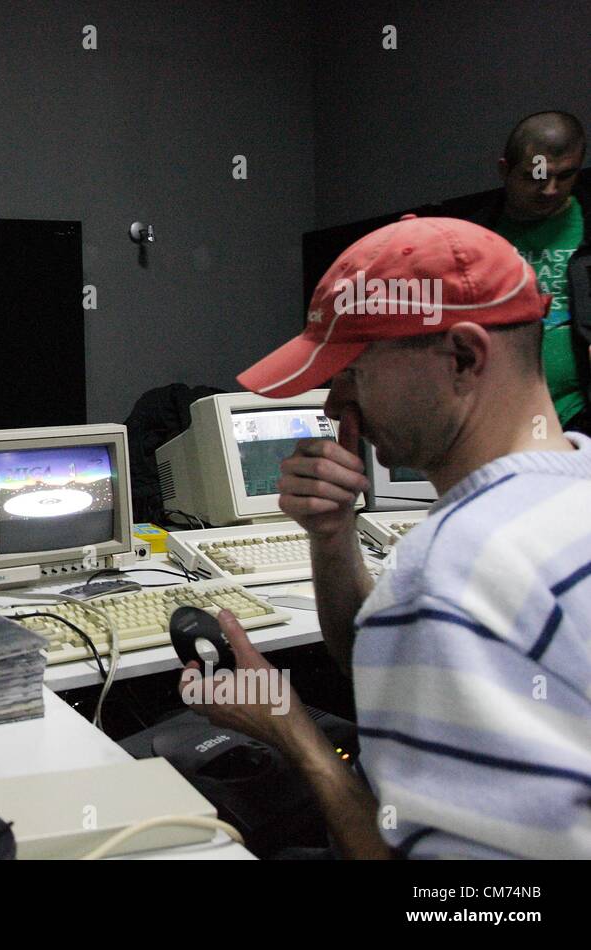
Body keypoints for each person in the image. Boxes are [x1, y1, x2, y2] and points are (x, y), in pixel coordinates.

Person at [182, 215, 591, 858]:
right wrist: (331, 537)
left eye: (352, 369)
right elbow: (395, 676)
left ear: (462, 357)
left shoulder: (450, 570)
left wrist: (296, 735)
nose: (331, 402)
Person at [474, 111, 591, 436]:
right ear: (504, 170)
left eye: (565, 175)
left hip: (581, 419)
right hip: (495, 420)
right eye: (535, 176)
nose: (550, 189)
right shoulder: (472, 238)